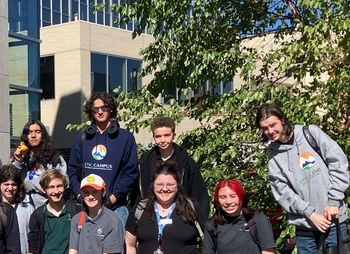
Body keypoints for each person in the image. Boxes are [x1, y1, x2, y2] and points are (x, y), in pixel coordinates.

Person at [257, 103, 350, 254]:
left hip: (333, 218)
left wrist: (333, 201)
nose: (270, 130)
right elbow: (282, 192)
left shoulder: (310, 133)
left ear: (282, 120)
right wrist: (309, 213)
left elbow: (338, 162)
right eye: (265, 128)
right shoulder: (273, 155)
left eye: (273, 125)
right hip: (306, 223)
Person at [67, 92, 139, 225]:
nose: (100, 112)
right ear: (91, 112)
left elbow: (131, 172)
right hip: (87, 209)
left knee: (115, 247)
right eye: (95, 109)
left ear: (111, 108)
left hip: (115, 209)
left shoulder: (125, 138)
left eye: (104, 107)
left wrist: (113, 198)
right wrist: (79, 194)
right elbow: (72, 170)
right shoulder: (82, 138)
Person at [68, 174, 123, 254]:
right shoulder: (77, 219)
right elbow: (72, 253)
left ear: (103, 193)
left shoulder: (112, 221)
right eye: (86, 192)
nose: (90, 196)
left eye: (95, 192)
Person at [137, 116, 209, 216]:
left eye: (167, 135)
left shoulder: (185, 161)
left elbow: (199, 194)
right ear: (153, 137)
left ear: (173, 136)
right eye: (158, 136)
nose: (162, 140)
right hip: (152, 214)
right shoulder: (145, 161)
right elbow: (138, 194)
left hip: (181, 214)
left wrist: (199, 218)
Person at [27, 169, 76, 254]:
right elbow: (33, 249)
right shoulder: (38, 215)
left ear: (65, 187)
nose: (56, 191)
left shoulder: (75, 210)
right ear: (44, 189)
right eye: (51, 187)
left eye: (59, 186)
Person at [11, 119, 68, 208]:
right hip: (25, 207)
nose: (33, 135)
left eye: (37, 132)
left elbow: (65, 182)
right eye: (30, 132)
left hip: (48, 207)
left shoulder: (54, 158)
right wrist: (18, 161)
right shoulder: (20, 157)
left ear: (43, 135)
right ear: (26, 136)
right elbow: (10, 180)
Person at [0, 164, 35, 254]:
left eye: (13, 184)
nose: (10, 188)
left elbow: (34, 239)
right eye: (6, 184)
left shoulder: (28, 208)